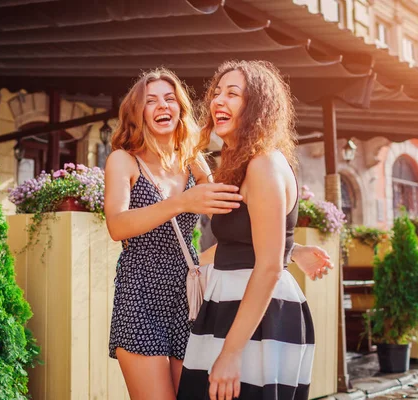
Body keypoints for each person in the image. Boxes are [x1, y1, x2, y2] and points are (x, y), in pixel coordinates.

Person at [104, 67, 330, 400]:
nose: (162, 105)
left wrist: (289, 250)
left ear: (181, 109)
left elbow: (240, 221)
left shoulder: (194, 163)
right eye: (150, 101)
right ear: (137, 113)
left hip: (191, 295)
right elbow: (116, 225)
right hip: (140, 293)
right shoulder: (123, 161)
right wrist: (181, 202)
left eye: (169, 98)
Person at [177, 60, 315, 400]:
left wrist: (231, 353)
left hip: (256, 315)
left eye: (232, 94)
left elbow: (268, 265)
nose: (218, 101)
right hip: (230, 303)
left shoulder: (264, 164)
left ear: (256, 106)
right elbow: (242, 243)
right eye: (216, 93)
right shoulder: (241, 164)